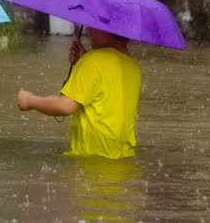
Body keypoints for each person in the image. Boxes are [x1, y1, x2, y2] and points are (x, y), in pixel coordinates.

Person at [16, 27, 141, 159]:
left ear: (103, 29)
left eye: (92, 25)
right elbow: (106, 89)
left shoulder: (92, 62)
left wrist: (30, 100)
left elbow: (65, 106)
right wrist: (83, 60)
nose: (87, 29)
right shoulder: (133, 66)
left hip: (90, 159)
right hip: (124, 156)